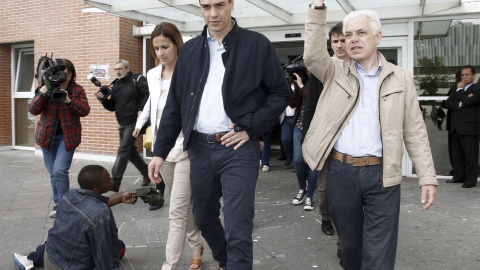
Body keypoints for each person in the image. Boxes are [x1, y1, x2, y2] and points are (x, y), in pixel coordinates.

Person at [148, 0, 292, 269]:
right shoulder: (190, 50)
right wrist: (159, 152)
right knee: (202, 217)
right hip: (200, 149)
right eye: (205, 6)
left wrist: (251, 128)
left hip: (239, 149)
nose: (212, 13)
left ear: (231, 5)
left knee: (238, 223)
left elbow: (282, 93)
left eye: (219, 5)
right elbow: (174, 106)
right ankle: (226, 260)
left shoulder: (256, 44)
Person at [303, 2, 438, 269]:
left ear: (378, 36)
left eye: (361, 33)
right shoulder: (334, 71)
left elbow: (414, 129)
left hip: (382, 174)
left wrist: (427, 176)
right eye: (349, 34)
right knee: (350, 249)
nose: (353, 40)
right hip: (341, 171)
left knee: (380, 251)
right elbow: (312, 56)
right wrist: (317, 10)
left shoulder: (400, 78)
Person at [133, 22, 204, 270]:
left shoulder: (192, 73)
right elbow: (153, 103)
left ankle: (169, 265)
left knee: (176, 210)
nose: (161, 52)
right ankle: (197, 246)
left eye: (165, 46)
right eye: (156, 48)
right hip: (162, 151)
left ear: (177, 45)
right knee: (183, 206)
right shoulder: (153, 75)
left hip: (187, 147)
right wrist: (140, 123)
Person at [13, 165, 137, 270]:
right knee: (118, 246)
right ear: (96, 188)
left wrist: (121, 198)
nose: (111, 180)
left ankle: (33, 258)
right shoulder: (101, 214)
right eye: (107, 180)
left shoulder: (70, 195)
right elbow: (103, 255)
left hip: (49, 259)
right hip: (69, 267)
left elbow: (93, 204)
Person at [301, 22, 348, 261]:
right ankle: (326, 216)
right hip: (326, 140)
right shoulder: (323, 70)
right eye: (335, 41)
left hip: (350, 145)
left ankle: (344, 239)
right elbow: (309, 108)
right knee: (325, 188)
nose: (340, 45)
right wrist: (310, 141)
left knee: (348, 195)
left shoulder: (359, 67)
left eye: (343, 40)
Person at [28, 59, 90, 218]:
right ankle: (59, 203)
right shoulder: (46, 86)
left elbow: (84, 111)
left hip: (67, 137)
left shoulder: (77, 90)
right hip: (46, 137)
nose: (64, 77)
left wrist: (68, 100)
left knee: (60, 170)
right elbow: (33, 110)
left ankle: (64, 206)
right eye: (60, 73)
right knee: (54, 173)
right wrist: (42, 94)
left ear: (72, 74)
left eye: (67, 74)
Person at [96, 59, 151, 192]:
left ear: (127, 68)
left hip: (134, 122)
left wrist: (141, 109)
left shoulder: (137, 79)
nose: (117, 72)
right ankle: (147, 173)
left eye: (120, 69)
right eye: (115, 70)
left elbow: (148, 94)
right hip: (122, 123)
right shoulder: (116, 85)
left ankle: (115, 181)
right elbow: (112, 107)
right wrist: (103, 100)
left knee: (122, 151)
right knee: (130, 152)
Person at [445, 65, 480, 188]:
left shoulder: (477, 89)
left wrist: (460, 93)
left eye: (467, 74)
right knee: (457, 155)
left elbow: (470, 101)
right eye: (462, 75)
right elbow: (447, 102)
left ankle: (470, 180)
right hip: (455, 127)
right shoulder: (456, 88)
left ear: (474, 76)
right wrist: (461, 102)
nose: (464, 77)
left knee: (470, 156)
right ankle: (459, 176)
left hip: (469, 128)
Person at [289, 72, 319, 210]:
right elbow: (292, 104)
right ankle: (302, 188)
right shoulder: (302, 84)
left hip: (316, 129)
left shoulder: (321, 81)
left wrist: (301, 86)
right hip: (299, 126)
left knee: (313, 163)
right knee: (298, 160)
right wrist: (292, 87)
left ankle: (309, 196)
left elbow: (315, 101)